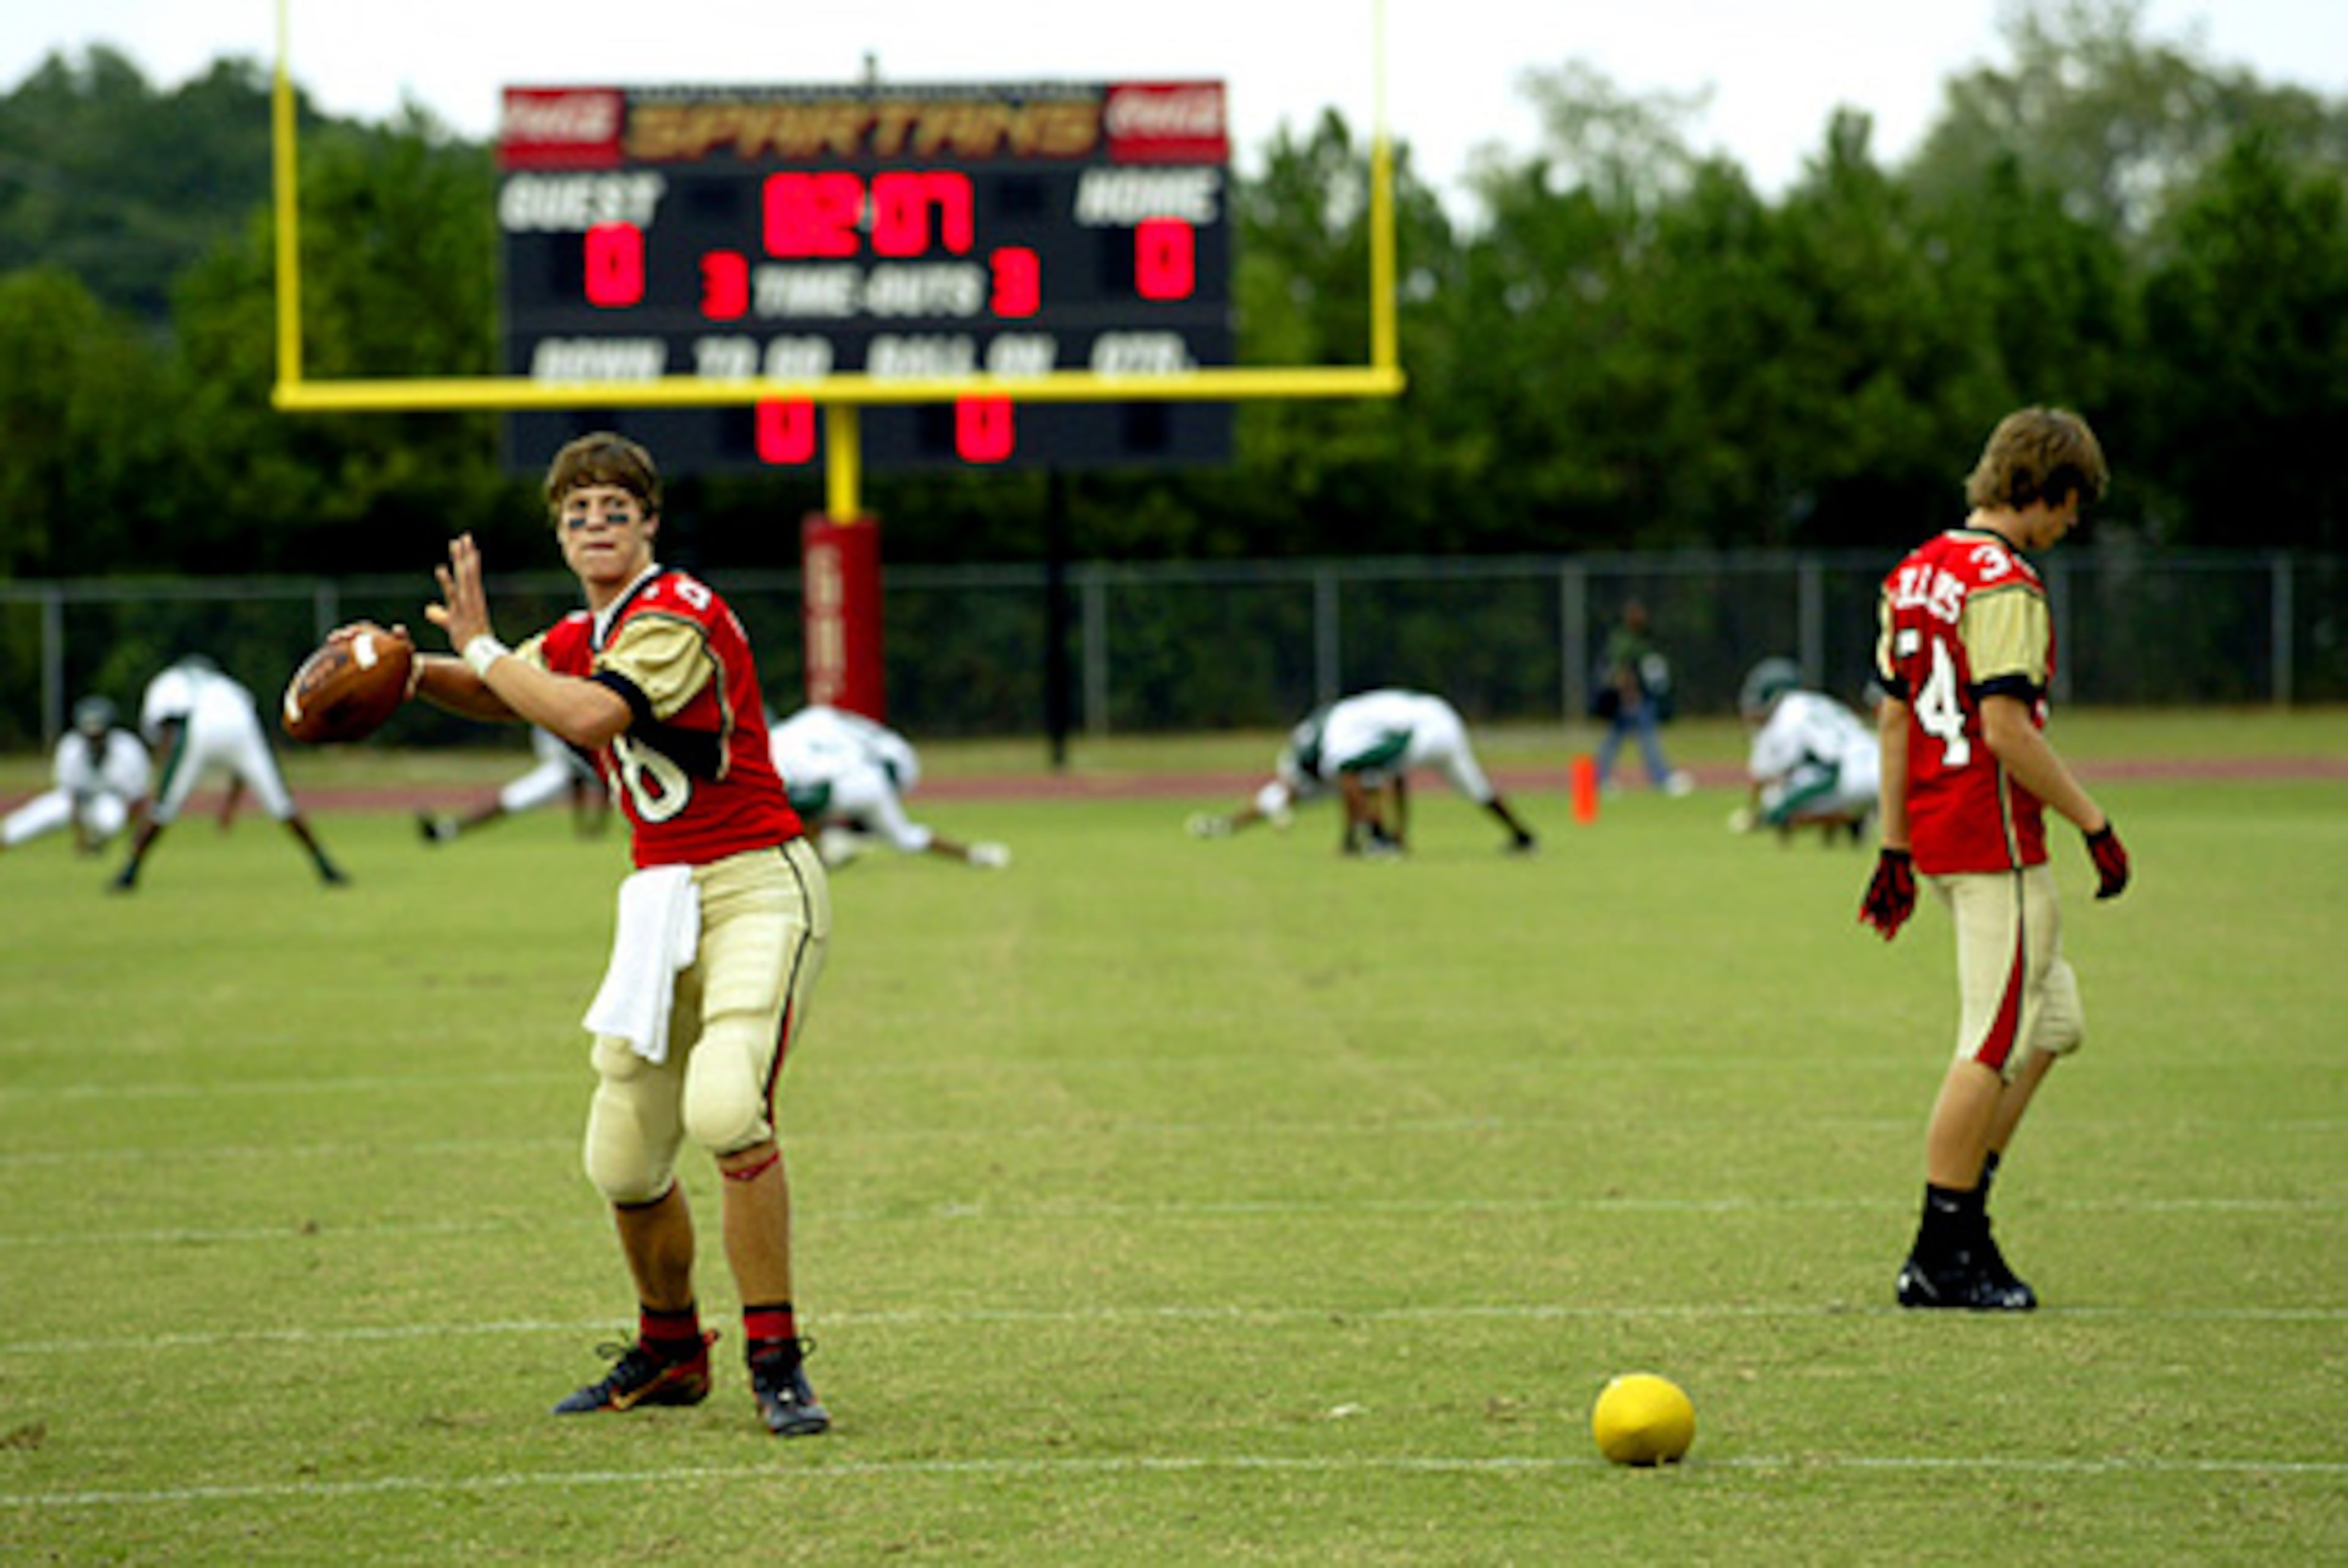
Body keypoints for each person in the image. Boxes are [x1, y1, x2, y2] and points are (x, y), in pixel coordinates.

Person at [402, 431, 832, 1437]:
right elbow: (508, 690)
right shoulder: (583, 630)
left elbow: (590, 717)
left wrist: (479, 650)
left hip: (756, 884)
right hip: (660, 899)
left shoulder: (675, 614)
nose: (596, 524)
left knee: (729, 1108)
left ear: (649, 523)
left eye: (614, 509)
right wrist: (405, 671)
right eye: (576, 513)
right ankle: (672, 1351)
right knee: (623, 1158)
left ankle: (776, 1357)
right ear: (559, 536)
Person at [1858, 405, 2132, 1312]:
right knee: (1990, 1040)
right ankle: (1944, 1244)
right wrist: (2094, 821)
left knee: (2053, 1023)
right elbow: (2006, 729)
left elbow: (1896, 716)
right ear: (2045, 491)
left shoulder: (1914, 572)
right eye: (2070, 507)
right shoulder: (2004, 582)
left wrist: (1894, 843)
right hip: (1997, 844)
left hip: (1940, 834)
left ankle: (1965, 1219)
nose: (2071, 526)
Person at [1188, 688, 1538, 856]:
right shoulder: (1338, 724)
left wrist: (1349, 840)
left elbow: (1364, 778)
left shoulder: (1335, 743)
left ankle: (1375, 839)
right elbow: (1387, 778)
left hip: (1425, 727)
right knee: (1476, 789)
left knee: (1364, 775)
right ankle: (1523, 837)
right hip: (1443, 718)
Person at [111, 655, 346, 891]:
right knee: (282, 804)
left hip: (198, 728)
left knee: (163, 809)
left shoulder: (167, 682)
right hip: (242, 729)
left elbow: (165, 730)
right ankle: (324, 865)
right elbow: (242, 752)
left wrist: (168, 776)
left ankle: (130, 870)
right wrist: (231, 805)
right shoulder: (228, 687)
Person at [767, 704, 1009, 869]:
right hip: (888, 754)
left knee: (795, 809)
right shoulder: (812, 717)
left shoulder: (773, 753)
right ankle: (976, 854)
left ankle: (833, 844)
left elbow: (811, 798)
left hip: (860, 782)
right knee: (905, 835)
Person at [1729, 658, 1878, 844]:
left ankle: (1849, 817)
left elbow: (1768, 774)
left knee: (1776, 798)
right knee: (1813, 779)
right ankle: (1856, 817)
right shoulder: (1819, 702)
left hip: (1850, 776)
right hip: (1881, 763)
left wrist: (1758, 815)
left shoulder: (1788, 714)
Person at [1, 696, 151, 858]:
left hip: (112, 801)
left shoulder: (129, 749)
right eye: (90, 735)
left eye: (98, 735)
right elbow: (72, 796)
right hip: (79, 801)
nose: (94, 741)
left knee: (111, 818)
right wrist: (81, 837)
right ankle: (6, 836)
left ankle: (99, 841)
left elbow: (137, 799)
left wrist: (137, 837)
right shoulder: (71, 748)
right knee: (48, 808)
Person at [417, 724, 611, 844]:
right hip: (564, 770)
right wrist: (589, 826)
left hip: (598, 767)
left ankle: (445, 831)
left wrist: (593, 825)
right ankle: (446, 831)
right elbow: (577, 778)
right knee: (509, 800)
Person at [1592, 600, 1694, 796]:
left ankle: (1599, 778)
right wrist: (1630, 697)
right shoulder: (1623, 639)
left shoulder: (1639, 637)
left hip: (1638, 697)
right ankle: (1661, 778)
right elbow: (1621, 670)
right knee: (1646, 737)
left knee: (1617, 738)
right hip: (1632, 699)